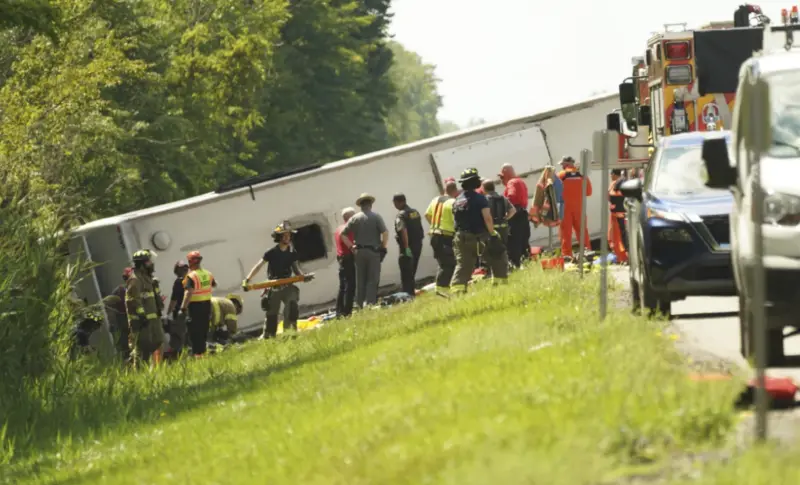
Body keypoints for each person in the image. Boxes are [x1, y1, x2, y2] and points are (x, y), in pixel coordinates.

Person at [243, 221, 312, 339]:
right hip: (273, 287)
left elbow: (296, 269)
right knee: (271, 315)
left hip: (288, 286)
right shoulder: (272, 252)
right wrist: (247, 279)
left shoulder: (292, 252)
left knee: (291, 309)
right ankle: (269, 337)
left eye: (289, 235)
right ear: (279, 237)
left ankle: (290, 335)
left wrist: (303, 277)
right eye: (284, 235)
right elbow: (259, 266)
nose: (287, 237)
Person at [450, 168, 508, 293]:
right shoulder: (480, 199)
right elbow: (487, 218)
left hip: (460, 237)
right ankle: (500, 284)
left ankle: (457, 291)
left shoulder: (457, 201)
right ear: (475, 182)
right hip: (479, 236)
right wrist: (492, 233)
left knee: (464, 265)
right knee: (498, 255)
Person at [343, 193, 389, 309]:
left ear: (361, 205)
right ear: (370, 204)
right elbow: (385, 232)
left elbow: (343, 235)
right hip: (373, 252)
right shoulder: (376, 217)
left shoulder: (354, 218)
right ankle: (370, 304)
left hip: (359, 252)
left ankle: (358, 305)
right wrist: (383, 246)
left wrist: (351, 247)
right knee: (372, 278)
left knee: (360, 279)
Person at [126, 250, 165, 366]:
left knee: (158, 343)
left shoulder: (148, 279)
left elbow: (153, 296)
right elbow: (133, 299)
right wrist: (141, 315)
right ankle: (137, 374)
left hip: (153, 320)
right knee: (141, 349)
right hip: (141, 321)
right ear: (142, 264)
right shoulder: (135, 279)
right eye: (149, 262)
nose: (152, 265)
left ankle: (157, 370)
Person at [425, 178, 458, 294]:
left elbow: (427, 214)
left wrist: (435, 226)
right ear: (456, 191)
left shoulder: (435, 200)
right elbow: (456, 220)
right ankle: (442, 289)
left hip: (434, 235)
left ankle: (442, 287)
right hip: (446, 236)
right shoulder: (453, 202)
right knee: (450, 263)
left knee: (442, 262)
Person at [180, 250, 217, 356]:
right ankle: (203, 354)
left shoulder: (191, 276)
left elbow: (189, 292)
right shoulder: (208, 273)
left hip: (195, 308)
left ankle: (199, 358)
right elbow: (214, 284)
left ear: (190, 262)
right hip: (207, 305)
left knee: (196, 334)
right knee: (204, 331)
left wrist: (183, 308)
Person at [557, 155, 592, 258]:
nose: (562, 166)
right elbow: (589, 192)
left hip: (565, 209)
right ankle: (587, 254)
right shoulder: (582, 175)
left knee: (565, 234)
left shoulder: (561, 175)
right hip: (579, 209)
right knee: (582, 232)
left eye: (562, 164)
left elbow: (554, 192)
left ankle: (567, 256)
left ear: (566, 164)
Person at [392, 193, 424, 297]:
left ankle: (407, 295)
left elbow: (403, 230)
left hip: (407, 247)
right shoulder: (415, 212)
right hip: (418, 245)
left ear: (399, 202)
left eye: (395, 203)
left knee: (406, 273)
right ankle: (411, 293)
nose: (394, 205)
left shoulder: (401, 215)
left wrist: (406, 248)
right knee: (412, 271)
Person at [499, 164, 530, 268]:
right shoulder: (521, 181)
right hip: (523, 214)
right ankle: (526, 263)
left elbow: (511, 196)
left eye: (502, 177)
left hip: (515, 216)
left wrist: (502, 206)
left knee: (513, 243)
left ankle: (516, 266)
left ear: (507, 175)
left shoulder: (511, 182)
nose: (501, 180)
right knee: (523, 242)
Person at [104, 267, 132, 360]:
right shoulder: (120, 290)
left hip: (127, 318)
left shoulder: (121, 289)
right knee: (125, 341)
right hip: (123, 318)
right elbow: (108, 304)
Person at [335, 207, 356, 318]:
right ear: (350, 217)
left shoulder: (338, 228)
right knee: (350, 285)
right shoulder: (348, 228)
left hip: (341, 258)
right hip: (348, 258)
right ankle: (347, 312)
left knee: (343, 286)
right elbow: (352, 243)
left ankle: (339, 311)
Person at [166, 260, 189, 355]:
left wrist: (168, 313)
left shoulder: (179, 282)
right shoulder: (192, 280)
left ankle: (176, 355)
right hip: (193, 312)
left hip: (181, 313)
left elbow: (174, 300)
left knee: (177, 335)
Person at [608, 169, 629, 264]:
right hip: (614, 215)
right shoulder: (613, 184)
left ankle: (624, 257)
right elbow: (609, 196)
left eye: (611, 174)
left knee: (621, 237)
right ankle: (619, 256)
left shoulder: (622, 183)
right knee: (613, 237)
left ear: (614, 174)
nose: (610, 175)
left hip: (619, 215)